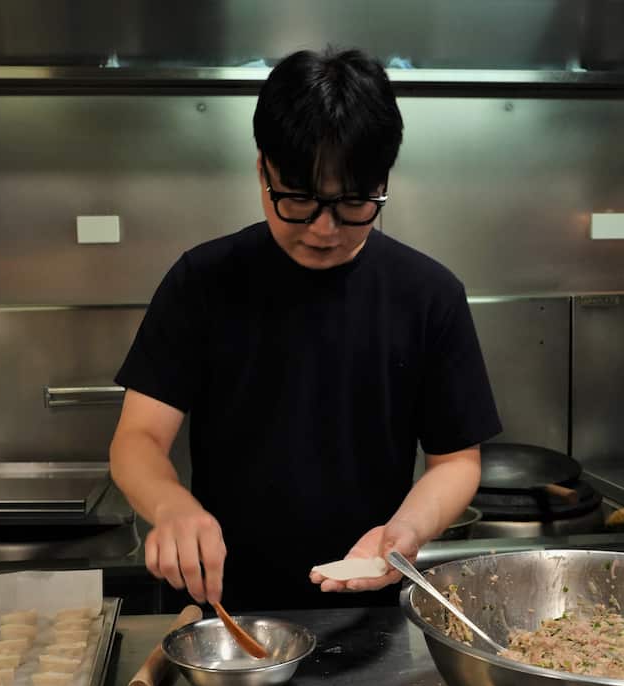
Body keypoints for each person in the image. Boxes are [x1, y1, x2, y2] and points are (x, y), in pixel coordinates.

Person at [110, 48, 500, 611]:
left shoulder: (428, 294)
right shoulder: (204, 280)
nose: (324, 228)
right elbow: (137, 439)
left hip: (368, 611)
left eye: (353, 202)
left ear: (383, 180)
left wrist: (407, 531)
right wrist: (171, 505)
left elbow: (457, 460)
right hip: (224, 611)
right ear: (262, 168)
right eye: (298, 199)